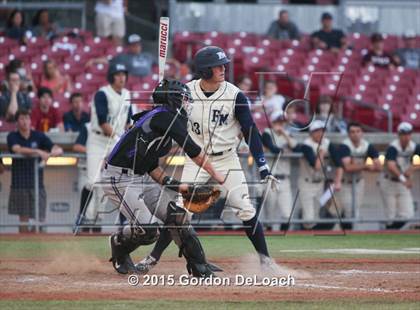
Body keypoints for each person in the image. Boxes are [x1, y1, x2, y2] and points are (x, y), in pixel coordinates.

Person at [137, 46, 282, 274]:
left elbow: (251, 131)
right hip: (196, 160)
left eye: (224, 64)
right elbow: (165, 116)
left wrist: (262, 165)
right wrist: (162, 98)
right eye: (217, 66)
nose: (223, 69)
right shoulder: (187, 92)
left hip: (226, 160)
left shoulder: (235, 95)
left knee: (245, 208)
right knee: (180, 213)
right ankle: (152, 258)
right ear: (205, 70)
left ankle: (266, 261)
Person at [102, 79, 225, 276]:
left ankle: (199, 264)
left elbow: (152, 168)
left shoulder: (161, 124)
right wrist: (217, 174)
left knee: (176, 216)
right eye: (185, 99)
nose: (188, 104)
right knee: (148, 230)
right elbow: (193, 150)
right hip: (119, 178)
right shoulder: (163, 116)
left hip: (142, 177)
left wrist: (180, 187)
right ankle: (118, 244)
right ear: (173, 100)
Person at [80, 63, 132, 231]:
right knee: (92, 181)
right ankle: (82, 218)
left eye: (123, 74)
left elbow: (128, 122)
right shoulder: (102, 93)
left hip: (116, 140)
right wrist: (119, 139)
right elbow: (103, 122)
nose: (121, 77)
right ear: (111, 77)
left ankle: (124, 221)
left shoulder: (127, 94)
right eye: (117, 74)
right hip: (99, 140)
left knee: (122, 182)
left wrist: (129, 136)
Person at [7, 109, 63, 233]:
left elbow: (56, 148)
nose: (25, 121)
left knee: (40, 218)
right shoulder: (12, 136)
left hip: (38, 184)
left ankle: (40, 246)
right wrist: (38, 151)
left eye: (27, 118)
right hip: (19, 184)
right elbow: (17, 149)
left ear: (30, 120)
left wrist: (55, 151)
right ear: (17, 122)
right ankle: (22, 245)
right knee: (23, 219)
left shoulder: (39, 135)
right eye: (21, 118)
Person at [335, 122, 382, 229]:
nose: (355, 134)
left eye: (358, 131)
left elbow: (378, 167)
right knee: (349, 210)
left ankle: (349, 232)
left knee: (355, 210)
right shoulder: (345, 146)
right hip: (345, 182)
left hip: (358, 182)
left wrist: (358, 165)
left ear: (362, 133)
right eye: (352, 132)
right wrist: (365, 165)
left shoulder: (367, 145)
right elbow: (348, 167)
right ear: (348, 134)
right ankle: (346, 232)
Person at [297, 120, 341, 230]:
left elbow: (339, 164)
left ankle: (311, 240)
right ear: (311, 133)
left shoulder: (327, 142)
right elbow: (316, 166)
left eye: (322, 130)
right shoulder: (306, 145)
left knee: (316, 215)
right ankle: (304, 237)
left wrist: (338, 181)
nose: (320, 133)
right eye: (316, 131)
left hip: (320, 184)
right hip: (306, 183)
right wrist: (321, 153)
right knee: (309, 218)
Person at [261, 111, 299, 231]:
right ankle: (270, 236)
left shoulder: (287, 134)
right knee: (270, 212)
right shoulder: (267, 133)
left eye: (282, 121)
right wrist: (284, 151)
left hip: (285, 179)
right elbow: (273, 149)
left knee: (287, 213)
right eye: (277, 121)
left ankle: (284, 239)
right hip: (271, 178)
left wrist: (284, 134)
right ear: (272, 122)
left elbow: (296, 147)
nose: (280, 124)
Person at [379, 122, 420, 229]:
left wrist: (412, 169)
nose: (406, 137)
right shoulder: (393, 147)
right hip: (389, 182)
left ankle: (389, 231)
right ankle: (388, 232)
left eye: (408, 134)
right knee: (390, 216)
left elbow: (417, 162)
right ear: (398, 135)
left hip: (403, 184)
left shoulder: (415, 146)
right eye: (403, 134)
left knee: (408, 213)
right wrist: (404, 178)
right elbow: (391, 166)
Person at [87, 34, 157, 78]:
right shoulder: (123, 57)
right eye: (134, 45)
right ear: (129, 46)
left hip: (148, 79)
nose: (137, 47)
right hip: (133, 80)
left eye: (138, 45)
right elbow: (108, 61)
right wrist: (93, 60)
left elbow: (163, 62)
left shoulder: (148, 56)